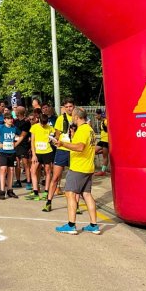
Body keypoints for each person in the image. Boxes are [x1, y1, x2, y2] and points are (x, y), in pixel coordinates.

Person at [54, 107, 101, 235]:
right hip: (88, 167)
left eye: (72, 116)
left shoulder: (83, 130)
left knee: (70, 193)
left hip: (78, 167)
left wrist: (63, 144)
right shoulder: (90, 130)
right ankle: (94, 225)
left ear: (76, 117)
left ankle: (71, 225)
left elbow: (80, 147)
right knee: (86, 194)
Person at [48, 98, 76, 200]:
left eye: (70, 106)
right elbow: (58, 135)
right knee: (55, 176)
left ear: (74, 106)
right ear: (64, 108)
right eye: (67, 107)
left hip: (74, 150)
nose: (69, 109)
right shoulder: (60, 119)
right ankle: (49, 201)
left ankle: (75, 203)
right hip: (62, 150)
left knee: (73, 179)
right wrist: (54, 140)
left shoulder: (78, 118)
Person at [0, 112, 22, 200]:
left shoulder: (14, 128)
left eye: (11, 119)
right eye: (8, 119)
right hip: (2, 152)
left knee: (11, 170)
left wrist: (16, 143)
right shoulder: (1, 127)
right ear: (5, 120)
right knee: (3, 169)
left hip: (12, 151)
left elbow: (22, 135)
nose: (10, 120)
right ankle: (2, 191)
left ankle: (10, 190)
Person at [28, 112, 55, 208]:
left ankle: (46, 192)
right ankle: (35, 192)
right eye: (42, 123)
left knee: (48, 171)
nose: (43, 125)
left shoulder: (50, 127)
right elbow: (32, 141)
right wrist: (34, 155)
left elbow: (53, 137)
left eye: (45, 123)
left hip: (47, 152)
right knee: (33, 171)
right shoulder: (34, 127)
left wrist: (52, 139)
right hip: (38, 152)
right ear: (39, 120)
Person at [13, 106, 32, 190]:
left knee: (25, 163)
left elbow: (23, 135)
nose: (15, 111)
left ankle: (28, 182)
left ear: (20, 112)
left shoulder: (26, 122)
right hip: (15, 144)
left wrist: (16, 143)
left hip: (23, 145)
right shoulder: (14, 121)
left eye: (16, 110)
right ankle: (18, 181)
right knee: (16, 163)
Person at [94, 109, 110, 176]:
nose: (95, 117)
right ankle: (105, 151)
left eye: (96, 115)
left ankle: (103, 171)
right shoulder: (102, 121)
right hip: (102, 140)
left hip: (106, 141)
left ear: (99, 115)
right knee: (94, 151)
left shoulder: (106, 121)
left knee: (105, 157)